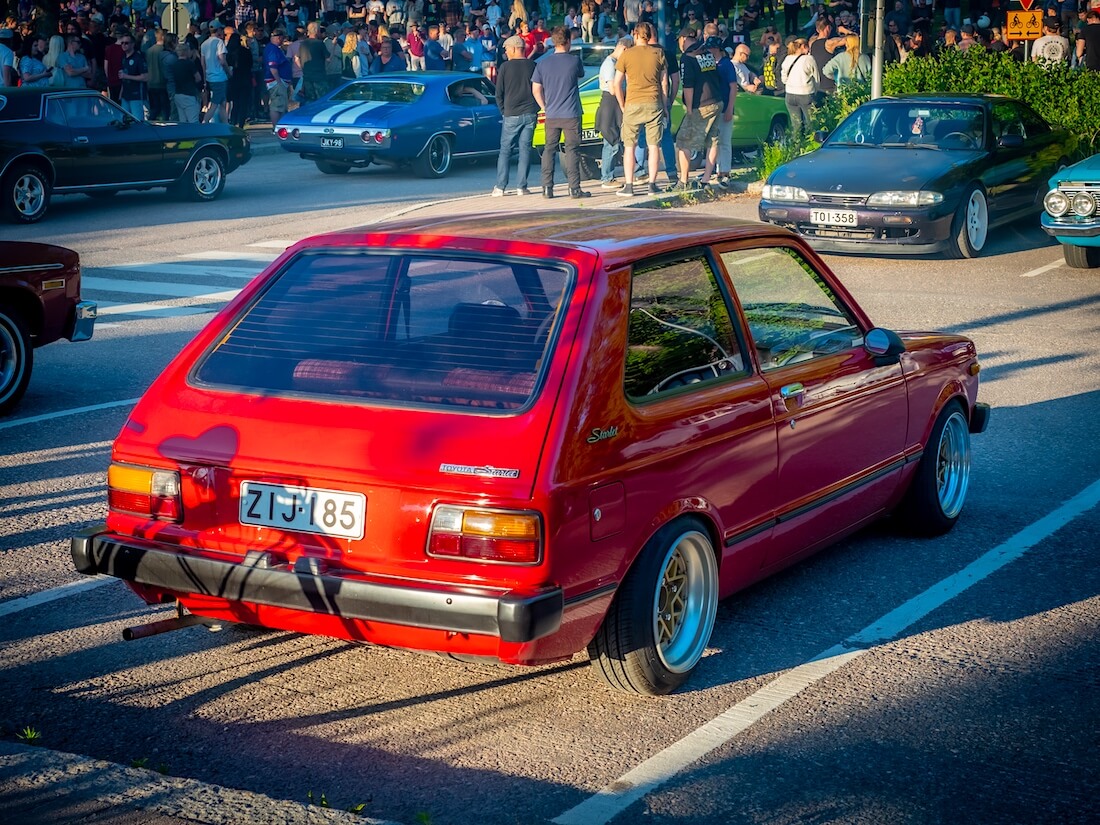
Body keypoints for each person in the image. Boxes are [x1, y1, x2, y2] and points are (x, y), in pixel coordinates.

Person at [532, 26, 587, 199]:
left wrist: (544, 106)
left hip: (552, 114)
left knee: (549, 149)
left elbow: (535, 89)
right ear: (568, 41)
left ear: (553, 42)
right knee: (572, 150)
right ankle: (574, 188)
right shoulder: (574, 61)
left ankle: (547, 188)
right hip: (571, 113)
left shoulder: (542, 63)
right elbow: (580, 75)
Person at [613, 21, 667, 197]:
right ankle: (652, 184)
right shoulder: (658, 53)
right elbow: (664, 82)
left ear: (635, 34)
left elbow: (617, 83)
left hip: (632, 103)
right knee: (653, 146)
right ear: (649, 35)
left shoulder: (626, 55)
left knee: (629, 146)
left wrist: (622, 104)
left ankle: (629, 185)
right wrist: (664, 105)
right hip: (653, 102)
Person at [673, 34, 723, 190]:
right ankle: (706, 180)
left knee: (683, 141)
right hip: (717, 100)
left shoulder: (687, 58)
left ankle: (683, 181)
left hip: (701, 104)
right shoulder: (706, 53)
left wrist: (689, 108)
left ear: (684, 39)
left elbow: (688, 85)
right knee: (712, 140)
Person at [491, 35, 538, 196]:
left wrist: (504, 111)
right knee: (525, 149)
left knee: (505, 150)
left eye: (506, 49)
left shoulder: (505, 67)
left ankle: (500, 186)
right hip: (530, 112)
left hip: (511, 113)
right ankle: (522, 186)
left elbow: (498, 93)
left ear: (513, 48)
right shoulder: (533, 65)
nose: (506, 52)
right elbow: (539, 89)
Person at [595, 34, 632, 189]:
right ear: (623, 48)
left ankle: (609, 176)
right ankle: (607, 177)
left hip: (612, 105)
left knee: (613, 141)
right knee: (611, 142)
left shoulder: (613, 62)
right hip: (611, 104)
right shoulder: (610, 64)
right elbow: (612, 88)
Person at [781, 38, 818, 133]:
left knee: (796, 125)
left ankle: (796, 145)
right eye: (808, 48)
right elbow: (817, 78)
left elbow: (784, 79)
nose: (809, 50)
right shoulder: (809, 59)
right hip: (805, 93)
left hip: (789, 94)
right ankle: (811, 144)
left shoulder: (787, 58)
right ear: (803, 47)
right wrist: (815, 91)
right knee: (811, 123)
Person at [201, 21, 230, 122]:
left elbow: (203, 63)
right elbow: (222, 60)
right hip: (220, 77)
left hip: (210, 77)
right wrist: (229, 72)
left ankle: (225, 124)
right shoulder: (219, 42)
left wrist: (205, 79)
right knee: (215, 103)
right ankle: (205, 122)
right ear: (218, 30)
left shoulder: (204, 44)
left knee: (222, 101)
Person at [117, 32, 149, 120]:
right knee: (124, 119)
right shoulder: (124, 58)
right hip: (125, 96)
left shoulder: (138, 58)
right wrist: (121, 94)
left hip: (136, 96)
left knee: (137, 120)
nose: (124, 45)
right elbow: (123, 78)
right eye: (122, 43)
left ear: (132, 44)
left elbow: (146, 77)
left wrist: (127, 76)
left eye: (126, 43)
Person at [296, 22, 329, 102]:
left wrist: (303, 69)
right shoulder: (320, 43)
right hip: (319, 77)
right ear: (317, 31)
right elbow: (328, 59)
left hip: (307, 77)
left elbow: (296, 58)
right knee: (322, 100)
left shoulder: (303, 44)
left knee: (310, 101)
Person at [226, 25, 253, 127]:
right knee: (244, 103)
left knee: (235, 103)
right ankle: (241, 123)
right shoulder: (246, 51)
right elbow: (250, 64)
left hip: (234, 79)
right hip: (246, 78)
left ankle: (233, 121)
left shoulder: (229, 53)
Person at [264, 29, 292, 124]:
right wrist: (279, 82)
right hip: (276, 82)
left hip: (279, 81)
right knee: (277, 106)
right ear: (279, 38)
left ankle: (280, 126)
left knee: (281, 106)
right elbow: (273, 67)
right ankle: (276, 127)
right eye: (283, 38)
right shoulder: (273, 50)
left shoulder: (274, 48)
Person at [173, 39, 203, 122]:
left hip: (178, 93)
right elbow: (198, 78)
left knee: (182, 120)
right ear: (186, 51)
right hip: (189, 94)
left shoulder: (174, 64)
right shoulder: (189, 63)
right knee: (193, 120)